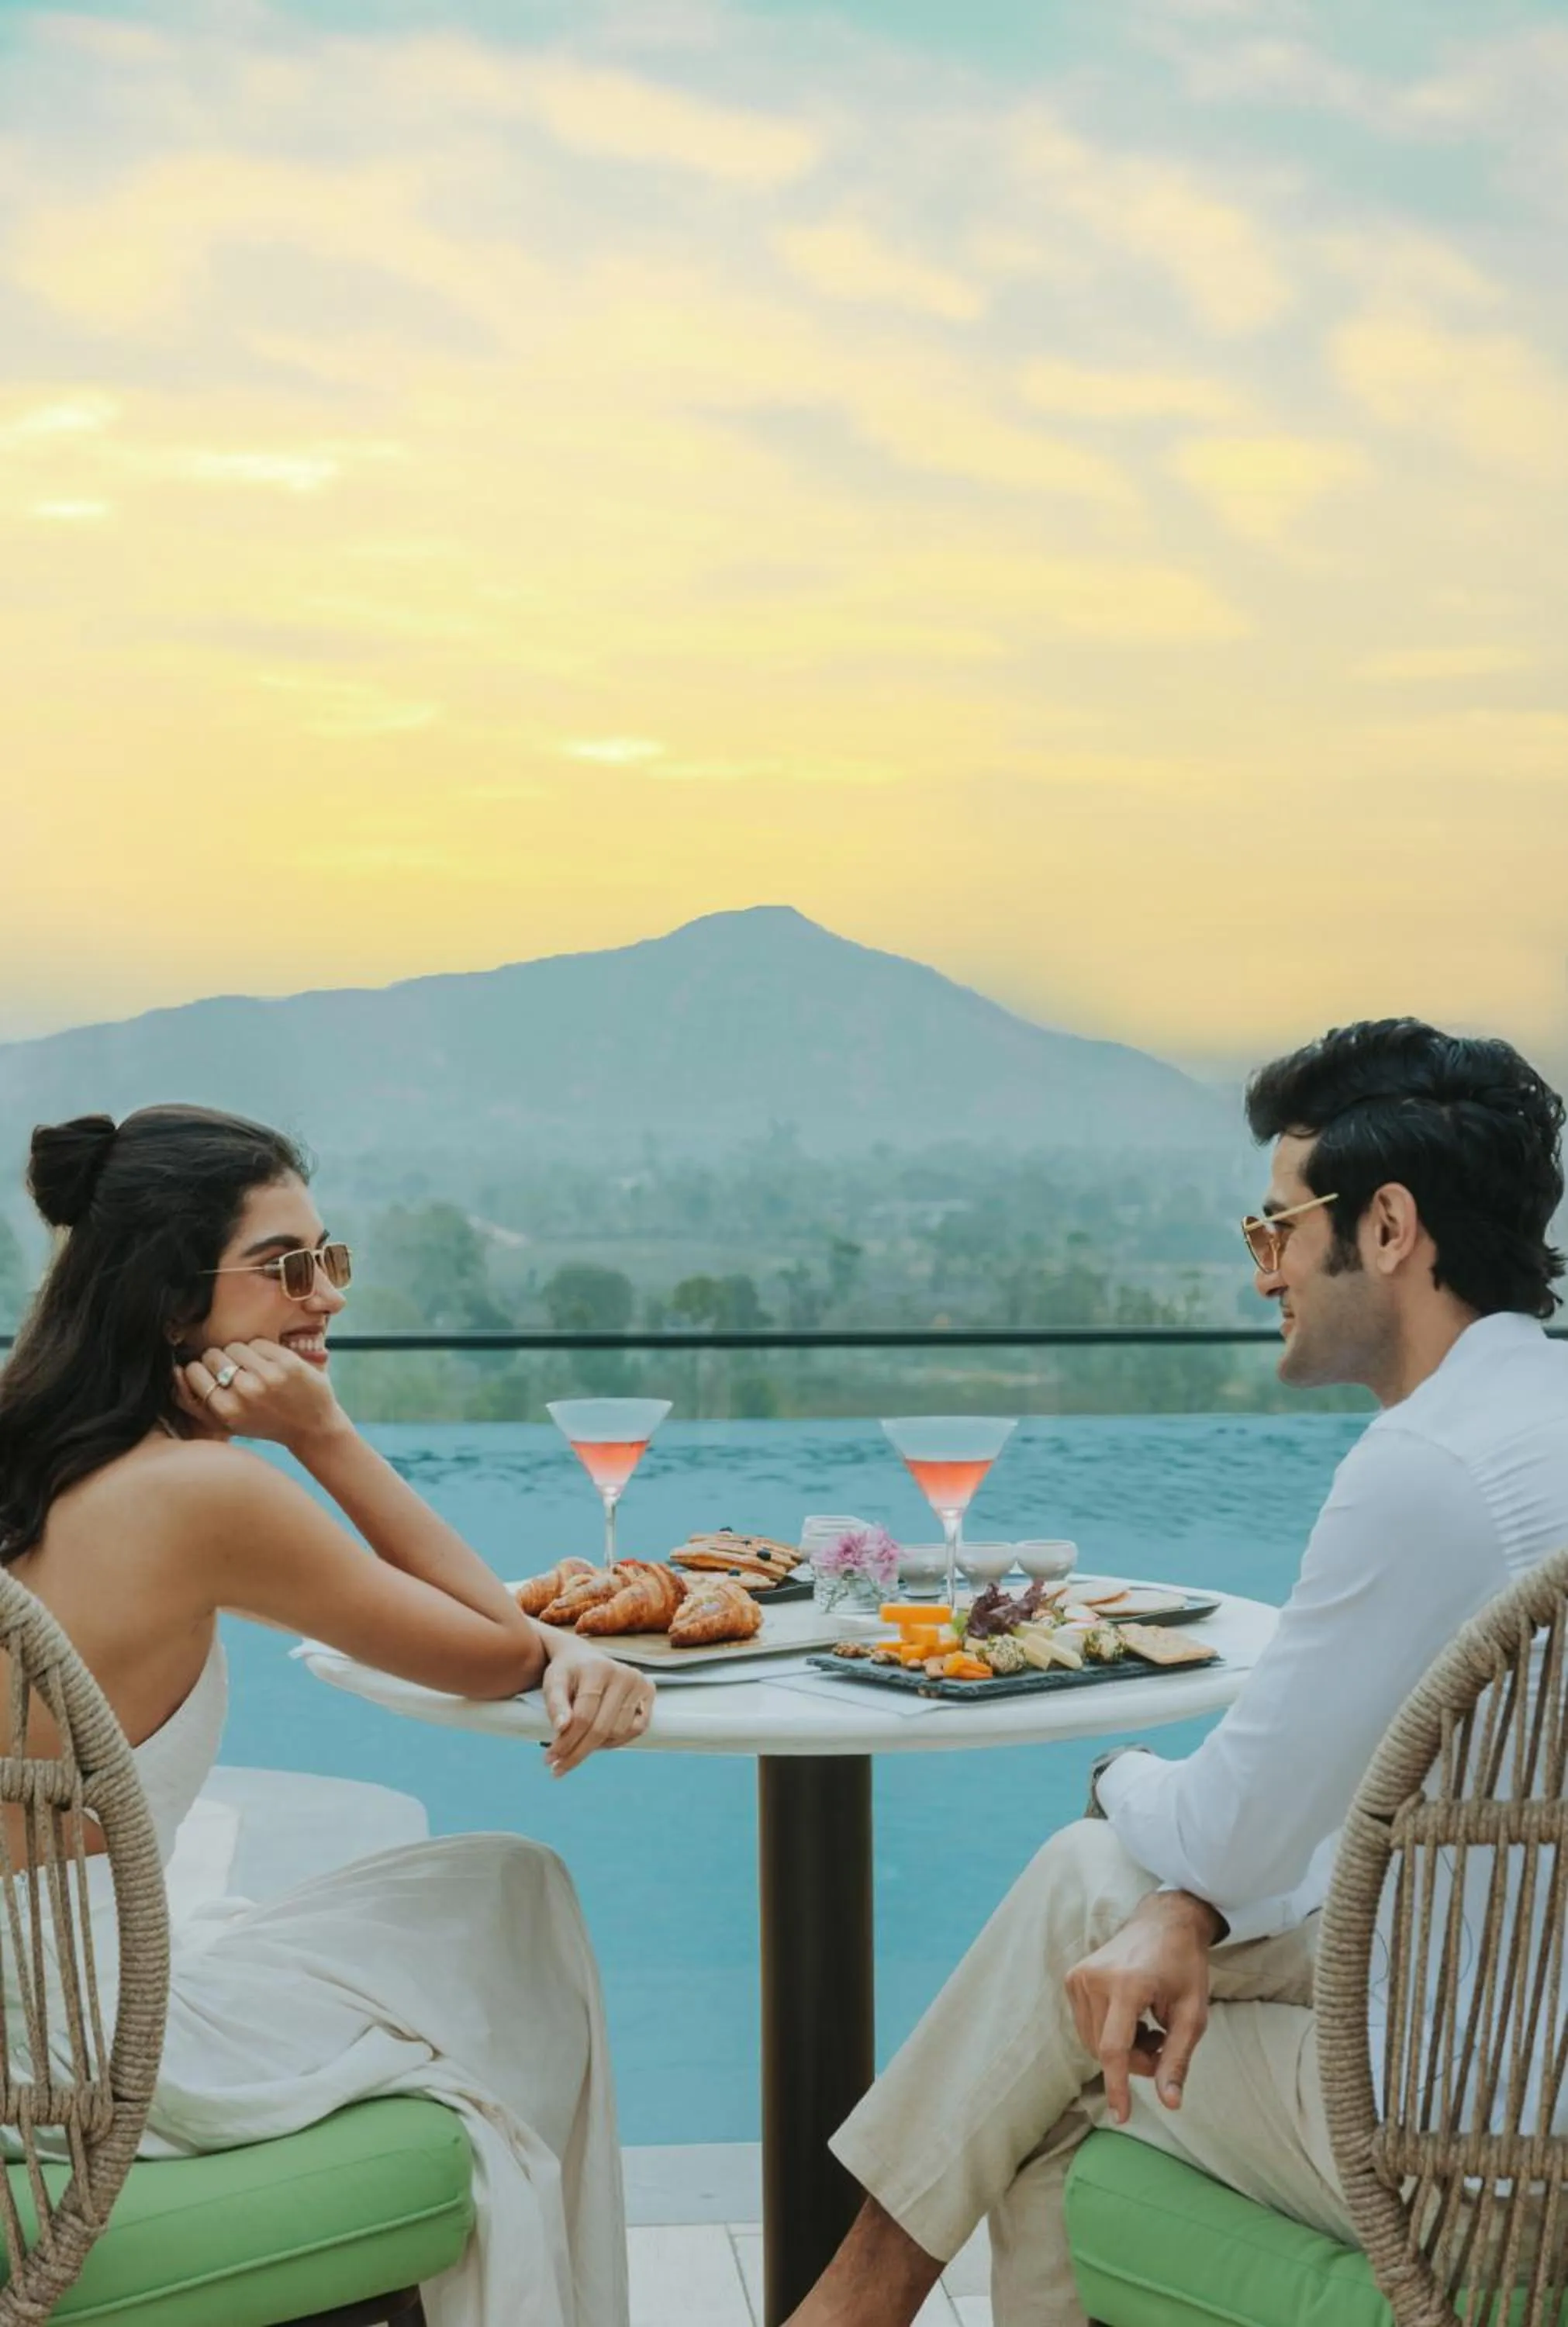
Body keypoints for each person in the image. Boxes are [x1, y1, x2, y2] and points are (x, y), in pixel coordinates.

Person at [786, 1018, 1568, 2327]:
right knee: (1094, 1907)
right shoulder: (1538, 1424)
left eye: (1275, 1228)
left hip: (1480, 2154)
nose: (1264, 1273)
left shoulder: (1425, 1473)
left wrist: (1116, 1775)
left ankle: (843, 2309)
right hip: (1505, 2024)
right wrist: (1177, 1908)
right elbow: (1356, 1829)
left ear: (1385, 1227)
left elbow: (1228, 1829)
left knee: (1078, 2038)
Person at [0, 1104, 654, 2327]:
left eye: (330, 1256)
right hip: (87, 2054)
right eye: (285, 1267)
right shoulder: (200, 1494)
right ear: (170, 1302)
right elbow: (493, 1652)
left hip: (24, 2016)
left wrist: (546, 1641)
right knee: (513, 1894)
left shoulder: (32, 1458)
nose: (328, 1295)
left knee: (442, 1902)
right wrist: (324, 1434)